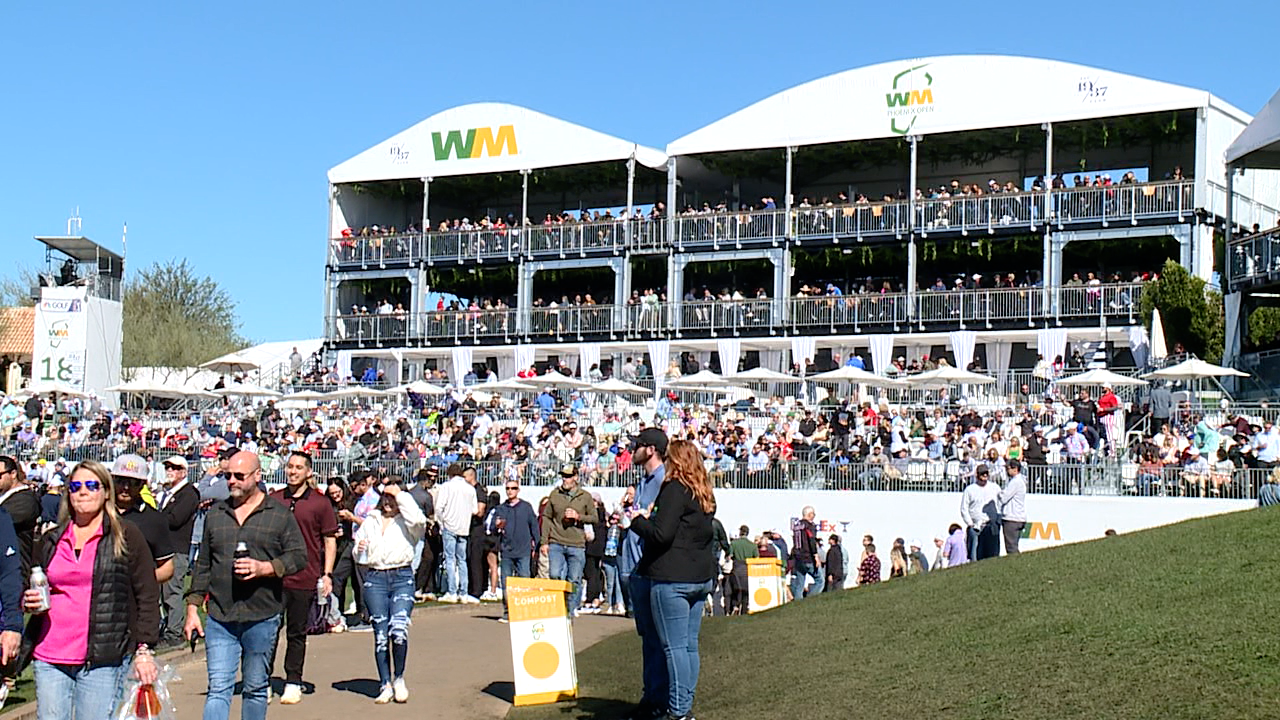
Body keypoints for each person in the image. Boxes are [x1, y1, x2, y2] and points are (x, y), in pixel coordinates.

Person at [25, 460, 160, 720]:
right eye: (75, 487)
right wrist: (28, 600)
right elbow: (31, 583)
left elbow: (147, 594)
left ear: (106, 491)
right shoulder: (52, 538)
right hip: (50, 655)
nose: (83, 492)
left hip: (103, 657)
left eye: (91, 485)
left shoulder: (126, 535)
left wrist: (144, 648)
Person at [184, 451, 307, 720]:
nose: (232, 481)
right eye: (228, 475)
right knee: (218, 689)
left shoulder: (278, 514)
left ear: (257, 476)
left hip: (261, 616)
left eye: (239, 476)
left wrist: (266, 568)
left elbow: (299, 556)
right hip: (220, 616)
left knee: (254, 688)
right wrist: (193, 608)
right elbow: (203, 563)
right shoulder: (217, 514)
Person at [628, 439, 717, 720]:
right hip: (699, 577)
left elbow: (661, 534)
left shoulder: (675, 489)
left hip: (672, 578)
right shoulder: (703, 493)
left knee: (674, 648)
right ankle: (684, 706)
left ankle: (677, 710)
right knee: (689, 646)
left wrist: (636, 520)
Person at [268, 451, 338, 705]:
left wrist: (327, 574)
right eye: (290, 466)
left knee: (297, 632)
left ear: (309, 472)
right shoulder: (274, 499)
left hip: (304, 577)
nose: (293, 471)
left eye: (299, 467)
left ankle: (293, 681)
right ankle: (263, 680)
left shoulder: (320, 503)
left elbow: (329, 540)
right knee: (268, 631)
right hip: (274, 576)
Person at [351, 478, 426, 704]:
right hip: (375, 577)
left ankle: (399, 678)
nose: (388, 503)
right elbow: (358, 551)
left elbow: (420, 520)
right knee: (381, 634)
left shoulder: (408, 522)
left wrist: (401, 494)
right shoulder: (371, 521)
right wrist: (359, 550)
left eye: (392, 499)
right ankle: (385, 683)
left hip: (402, 576)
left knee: (399, 629)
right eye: (385, 498)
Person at [621, 428, 669, 720]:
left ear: (650, 449)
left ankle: (658, 701)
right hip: (637, 568)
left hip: (649, 568)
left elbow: (659, 526)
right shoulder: (644, 481)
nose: (633, 449)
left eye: (637, 445)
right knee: (648, 640)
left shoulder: (663, 480)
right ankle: (650, 696)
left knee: (656, 640)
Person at [110, 454, 176, 584]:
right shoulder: (99, 512)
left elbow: (167, 568)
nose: (126, 487)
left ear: (143, 484)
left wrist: (140, 582)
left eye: (133, 482)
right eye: (120, 480)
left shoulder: (154, 519)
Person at [541, 464, 595, 616]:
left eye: (569, 476)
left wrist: (579, 517)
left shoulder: (585, 496)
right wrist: (544, 541)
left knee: (574, 579)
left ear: (576, 478)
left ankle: (570, 611)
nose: (565, 479)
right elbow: (546, 517)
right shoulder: (555, 494)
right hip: (556, 541)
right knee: (554, 574)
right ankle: (558, 608)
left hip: (576, 544)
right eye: (563, 476)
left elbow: (594, 517)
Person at [158, 454, 200, 647]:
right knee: (162, 591)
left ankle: (174, 633)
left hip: (177, 549)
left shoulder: (189, 493)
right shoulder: (168, 493)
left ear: (183, 472)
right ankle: (166, 627)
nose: (170, 471)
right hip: (165, 548)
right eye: (168, 467)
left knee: (172, 591)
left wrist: (155, 520)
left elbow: (175, 519)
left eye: (174, 468)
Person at [434, 463, 480, 603]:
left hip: (449, 526)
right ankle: (464, 593)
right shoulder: (470, 488)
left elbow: (439, 507)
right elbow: (475, 510)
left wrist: (442, 522)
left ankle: (452, 591)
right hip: (464, 528)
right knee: (462, 560)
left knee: (450, 559)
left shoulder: (446, 487)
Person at [494, 479, 538, 623]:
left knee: (524, 582)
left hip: (523, 551)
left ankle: (524, 612)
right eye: (508, 488)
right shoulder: (501, 508)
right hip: (506, 551)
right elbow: (492, 528)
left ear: (518, 490)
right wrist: (497, 526)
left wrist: (537, 545)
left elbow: (534, 527)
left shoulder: (526, 507)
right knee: (507, 584)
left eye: (513, 488)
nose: (510, 491)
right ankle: (508, 612)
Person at [960, 464, 1002, 561]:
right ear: (977, 475)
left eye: (986, 473)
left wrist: (998, 520)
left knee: (993, 556)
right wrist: (970, 523)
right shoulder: (970, 490)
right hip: (976, 527)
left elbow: (1001, 504)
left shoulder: (995, 488)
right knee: (975, 556)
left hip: (991, 526)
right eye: (982, 474)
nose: (985, 476)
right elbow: (964, 508)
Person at [789, 506, 824, 598]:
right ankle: (811, 598)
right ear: (809, 514)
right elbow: (811, 540)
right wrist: (816, 556)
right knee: (820, 580)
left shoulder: (796, 526)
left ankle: (798, 603)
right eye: (813, 514)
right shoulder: (809, 526)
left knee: (800, 584)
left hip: (798, 558)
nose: (814, 516)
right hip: (808, 557)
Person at [999, 458, 1028, 555]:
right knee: (1013, 545)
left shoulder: (1016, 482)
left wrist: (999, 493)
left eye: (1008, 468)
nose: (1007, 471)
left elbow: (1004, 498)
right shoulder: (1019, 481)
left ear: (1015, 469)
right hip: (1018, 517)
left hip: (1012, 518)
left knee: (1011, 548)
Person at [727, 525, 757, 613]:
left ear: (740, 532)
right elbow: (756, 559)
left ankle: (735, 605)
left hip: (736, 567)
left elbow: (730, 556)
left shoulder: (734, 544)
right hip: (748, 568)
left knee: (736, 588)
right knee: (746, 590)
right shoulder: (753, 545)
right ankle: (744, 609)